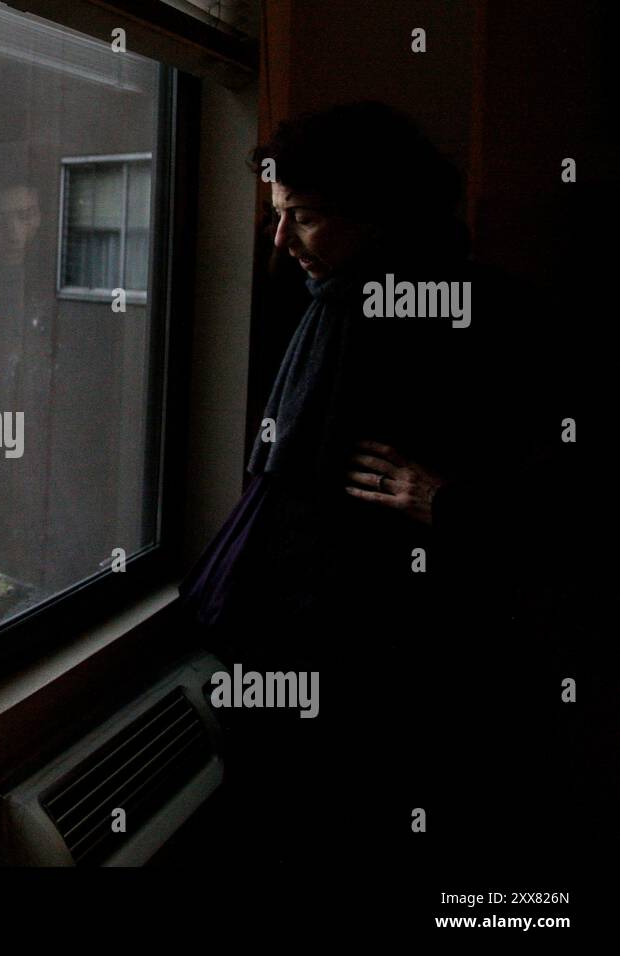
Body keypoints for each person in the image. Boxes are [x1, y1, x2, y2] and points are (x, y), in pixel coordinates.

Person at [180, 102, 568, 861]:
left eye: (307, 218)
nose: (283, 240)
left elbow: (569, 498)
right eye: (278, 217)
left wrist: (449, 504)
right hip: (342, 659)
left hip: (398, 668)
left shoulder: (483, 316)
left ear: (382, 215)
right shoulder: (330, 302)